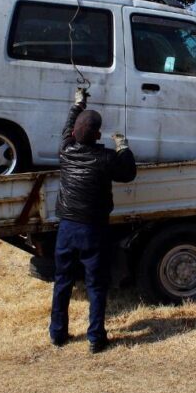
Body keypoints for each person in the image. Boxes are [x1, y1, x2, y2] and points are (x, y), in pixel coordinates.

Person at [49, 88, 137, 353]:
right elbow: (128, 172)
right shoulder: (105, 158)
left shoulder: (65, 150)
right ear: (98, 135)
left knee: (62, 280)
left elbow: (68, 124)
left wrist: (78, 103)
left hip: (66, 227)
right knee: (95, 283)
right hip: (92, 229)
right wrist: (123, 146)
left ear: (75, 133)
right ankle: (96, 338)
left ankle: (57, 334)